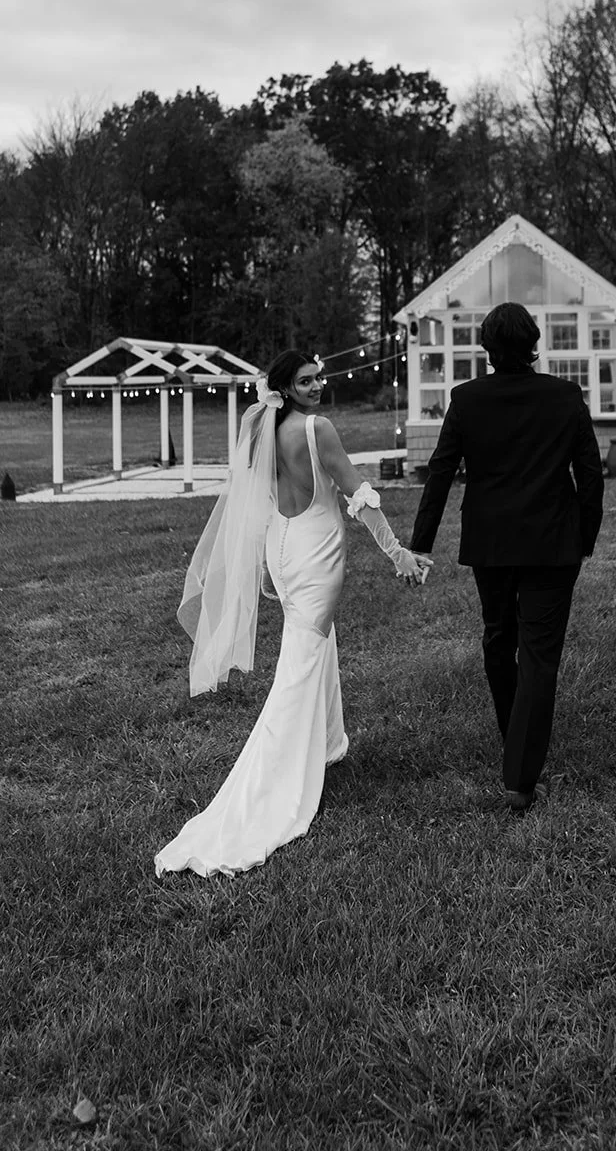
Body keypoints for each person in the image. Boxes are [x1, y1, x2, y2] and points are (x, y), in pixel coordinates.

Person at [155, 350, 430, 878]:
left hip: (283, 548)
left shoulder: (260, 429)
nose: (318, 386)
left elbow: (256, 503)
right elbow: (359, 495)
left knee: (314, 645)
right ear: (284, 387)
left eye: (319, 377)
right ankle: (266, 789)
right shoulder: (317, 429)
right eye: (306, 381)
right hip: (313, 557)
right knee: (297, 671)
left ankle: (328, 743)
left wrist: (263, 569)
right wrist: (398, 552)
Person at [408, 303, 604, 811]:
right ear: (533, 343)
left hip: (492, 544)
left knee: (499, 640)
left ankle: (514, 745)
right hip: (553, 544)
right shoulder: (564, 397)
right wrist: (586, 535)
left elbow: (441, 470)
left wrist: (422, 542)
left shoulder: (466, 399)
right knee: (538, 654)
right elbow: (590, 472)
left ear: (487, 349)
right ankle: (519, 774)